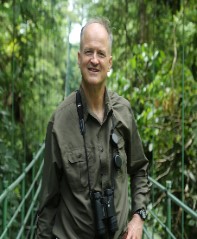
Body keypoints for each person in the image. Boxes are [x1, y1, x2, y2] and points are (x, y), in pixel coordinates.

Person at [36, 17, 150, 239]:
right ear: (79, 59)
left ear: (110, 62)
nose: (94, 60)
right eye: (88, 52)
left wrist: (138, 217)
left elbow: (140, 169)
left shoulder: (124, 112)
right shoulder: (59, 122)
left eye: (100, 53)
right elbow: (48, 202)